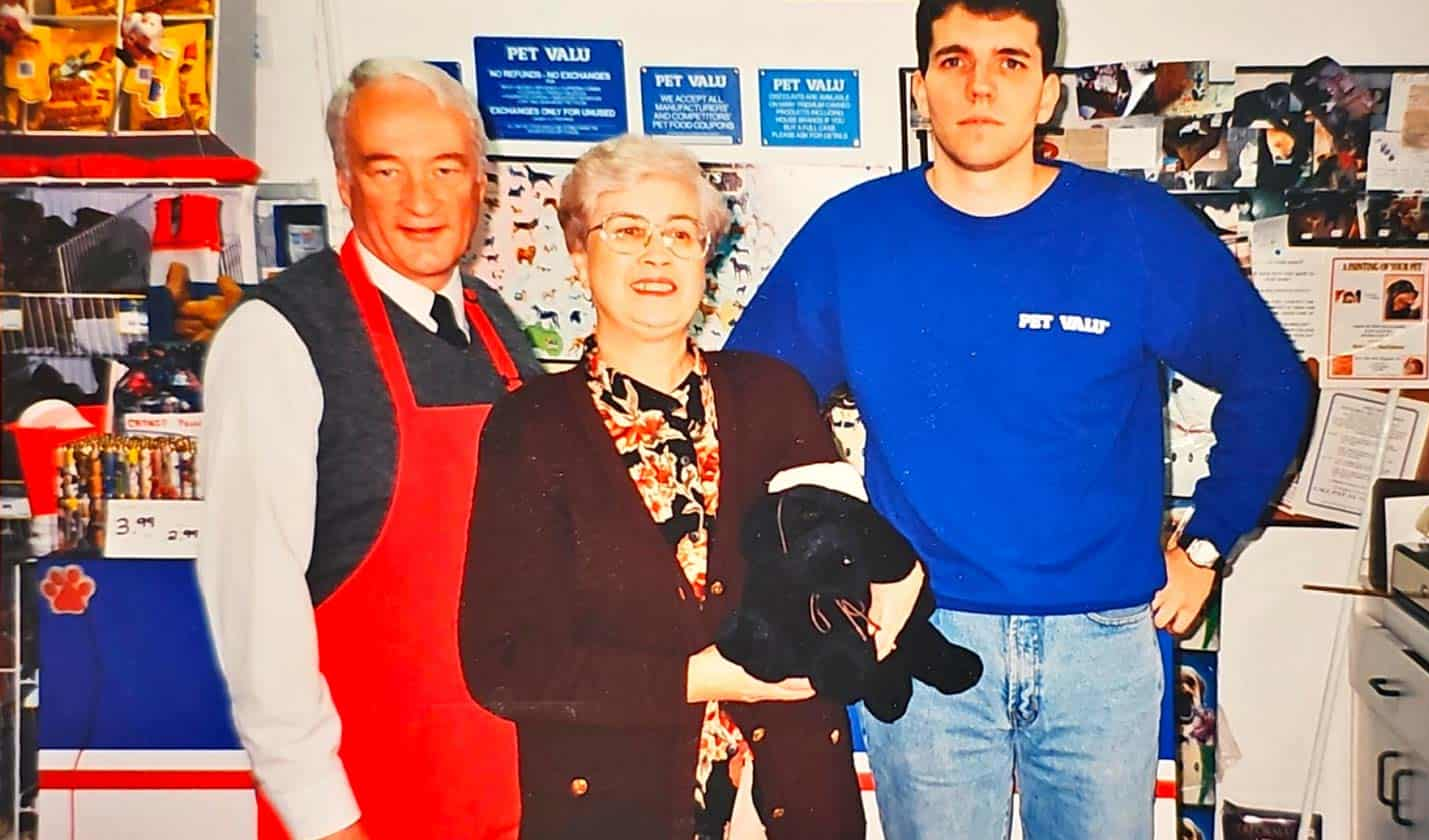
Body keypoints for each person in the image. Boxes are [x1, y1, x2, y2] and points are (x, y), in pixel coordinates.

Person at [726, 1, 1314, 837]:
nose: (979, 85)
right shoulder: (853, 237)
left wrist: (1211, 542)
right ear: (922, 86)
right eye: (955, 60)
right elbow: (750, 401)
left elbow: (1273, 383)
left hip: (1103, 648)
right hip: (921, 636)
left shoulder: (1134, 230)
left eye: (1009, 61)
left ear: (1046, 92)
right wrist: (833, 548)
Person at [458, 134, 866, 840]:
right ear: (580, 254)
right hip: (617, 804)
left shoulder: (775, 397)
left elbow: (843, 571)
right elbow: (503, 661)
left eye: (681, 233)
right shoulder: (531, 429)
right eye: (627, 231)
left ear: (706, 258)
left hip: (790, 800)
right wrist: (696, 679)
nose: (657, 254)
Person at [196, 59, 542, 840]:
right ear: (346, 185)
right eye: (386, 169)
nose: (421, 200)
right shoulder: (279, 335)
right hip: (372, 798)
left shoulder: (497, 326)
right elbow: (257, 605)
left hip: (514, 787)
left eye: (445, 168)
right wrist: (322, 816)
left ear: (479, 184)